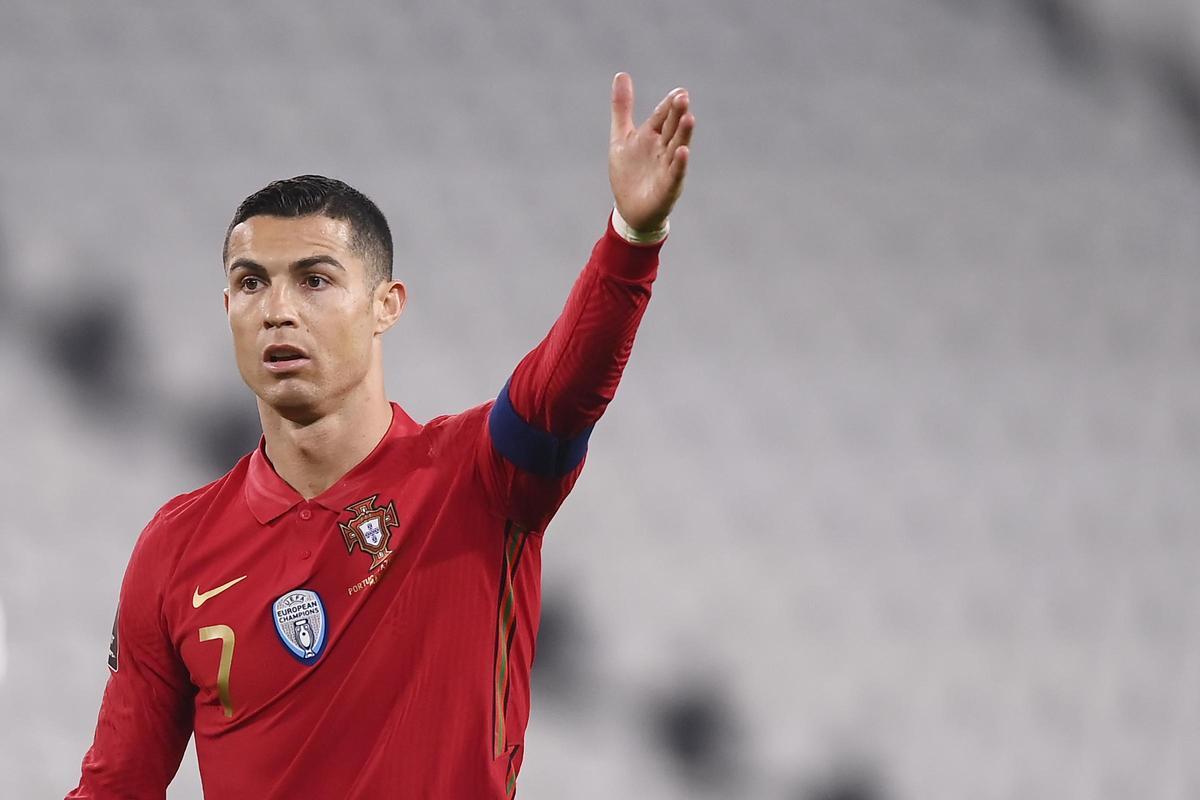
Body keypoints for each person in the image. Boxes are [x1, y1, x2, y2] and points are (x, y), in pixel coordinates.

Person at [66, 72, 694, 799]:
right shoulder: (173, 549)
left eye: (314, 280)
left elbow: (566, 387)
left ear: (385, 305)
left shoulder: (479, 477)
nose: (277, 310)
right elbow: (117, 784)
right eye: (250, 283)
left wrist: (632, 239)